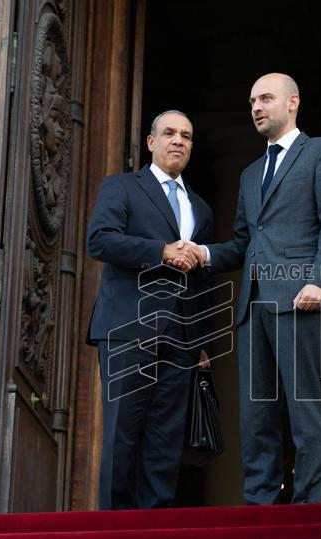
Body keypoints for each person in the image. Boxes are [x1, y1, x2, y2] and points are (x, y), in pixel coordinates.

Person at [183, 73, 321, 504]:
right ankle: (259, 504)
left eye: (266, 98)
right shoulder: (250, 173)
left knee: (303, 406)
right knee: (255, 414)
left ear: (293, 102)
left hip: (301, 298)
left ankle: (309, 505)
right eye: (252, 100)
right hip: (253, 305)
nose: (256, 107)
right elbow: (244, 243)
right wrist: (203, 253)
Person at [85, 110, 215, 510]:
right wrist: (159, 251)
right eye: (170, 133)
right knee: (123, 432)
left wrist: (202, 343)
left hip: (181, 337)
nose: (179, 140)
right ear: (151, 142)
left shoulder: (202, 209)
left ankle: (153, 528)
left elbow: (202, 281)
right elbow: (100, 241)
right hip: (129, 328)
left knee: (166, 440)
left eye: (187, 136)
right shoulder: (122, 187)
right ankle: (112, 534)